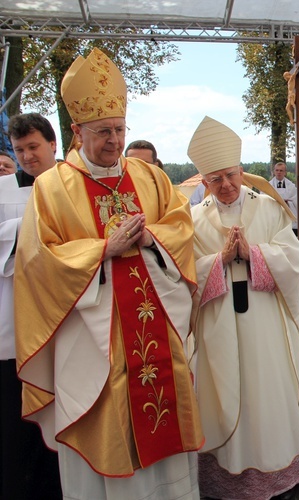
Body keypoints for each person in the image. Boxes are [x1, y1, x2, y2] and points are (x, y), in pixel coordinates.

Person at [13, 48, 203, 499]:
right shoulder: (51, 188)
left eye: (119, 130)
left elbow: (180, 227)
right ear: (76, 132)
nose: (114, 141)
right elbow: (39, 263)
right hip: (96, 345)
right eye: (102, 132)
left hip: (157, 338)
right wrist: (103, 250)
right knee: (108, 432)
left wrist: (150, 239)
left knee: (167, 432)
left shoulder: (150, 178)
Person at [188, 116, 299, 499]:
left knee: (268, 391)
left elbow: (294, 260)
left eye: (230, 175)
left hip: (266, 325)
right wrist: (219, 261)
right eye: (215, 179)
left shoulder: (270, 209)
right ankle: (226, 480)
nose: (225, 185)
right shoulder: (192, 220)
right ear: (204, 182)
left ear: (242, 170)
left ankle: (278, 474)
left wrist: (253, 254)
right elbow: (185, 276)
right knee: (225, 391)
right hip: (218, 327)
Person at [1, 113, 61, 499]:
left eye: (33, 147)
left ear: (53, 145)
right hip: (14, 328)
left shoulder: (73, 186)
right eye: (19, 150)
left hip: (62, 327)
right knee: (13, 429)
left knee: (58, 430)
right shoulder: (4, 190)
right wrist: (30, 227)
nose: (26, 156)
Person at [271, 161, 299, 234]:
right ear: (274, 172)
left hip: (288, 215)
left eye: (281, 170)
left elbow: (297, 201)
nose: (279, 172)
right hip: (274, 215)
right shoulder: (268, 186)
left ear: (285, 172)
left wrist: (288, 202)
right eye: (277, 170)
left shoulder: (291, 187)